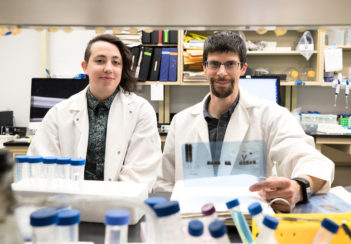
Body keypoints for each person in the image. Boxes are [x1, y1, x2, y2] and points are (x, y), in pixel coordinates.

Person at [155, 31, 334, 212]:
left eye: (230, 64)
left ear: (242, 68)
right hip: (191, 224)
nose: (222, 72)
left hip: (251, 222)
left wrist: (299, 188)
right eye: (214, 64)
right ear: (204, 67)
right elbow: (164, 183)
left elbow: (313, 160)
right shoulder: (181, 122)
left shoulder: (271, 115)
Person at [28, 34, 162, 192]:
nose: (108, 68)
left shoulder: (141, 111)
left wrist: (110, 203)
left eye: (116, 62)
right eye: (100, 60)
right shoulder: (58, 113)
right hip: (69, 205)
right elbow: (42, 167)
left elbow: (141, 173)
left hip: (122, 207)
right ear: (85, 66)